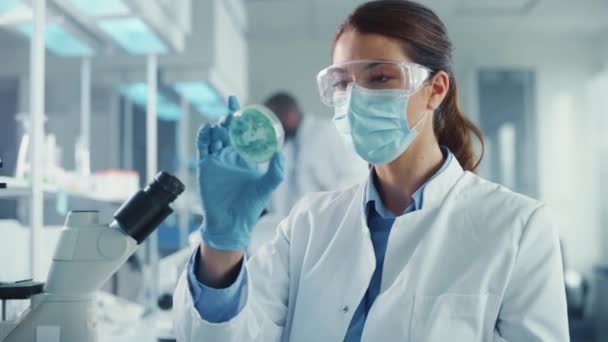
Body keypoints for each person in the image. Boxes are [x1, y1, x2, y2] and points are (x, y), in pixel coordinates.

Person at [173, 1, 569, 341]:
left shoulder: (519, 227)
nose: (356, 99)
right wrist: (221, 243)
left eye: (380, 77)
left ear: (436, 89)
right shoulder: (308, 225)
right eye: (342, 83)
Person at [263, 91, 368, 218]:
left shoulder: (327, 131)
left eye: (274, 121)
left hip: (331, 218)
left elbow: (353, 177)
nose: (272, 129)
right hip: (299, 225)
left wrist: (328, 211)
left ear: (288, 113)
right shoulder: (287, 145)